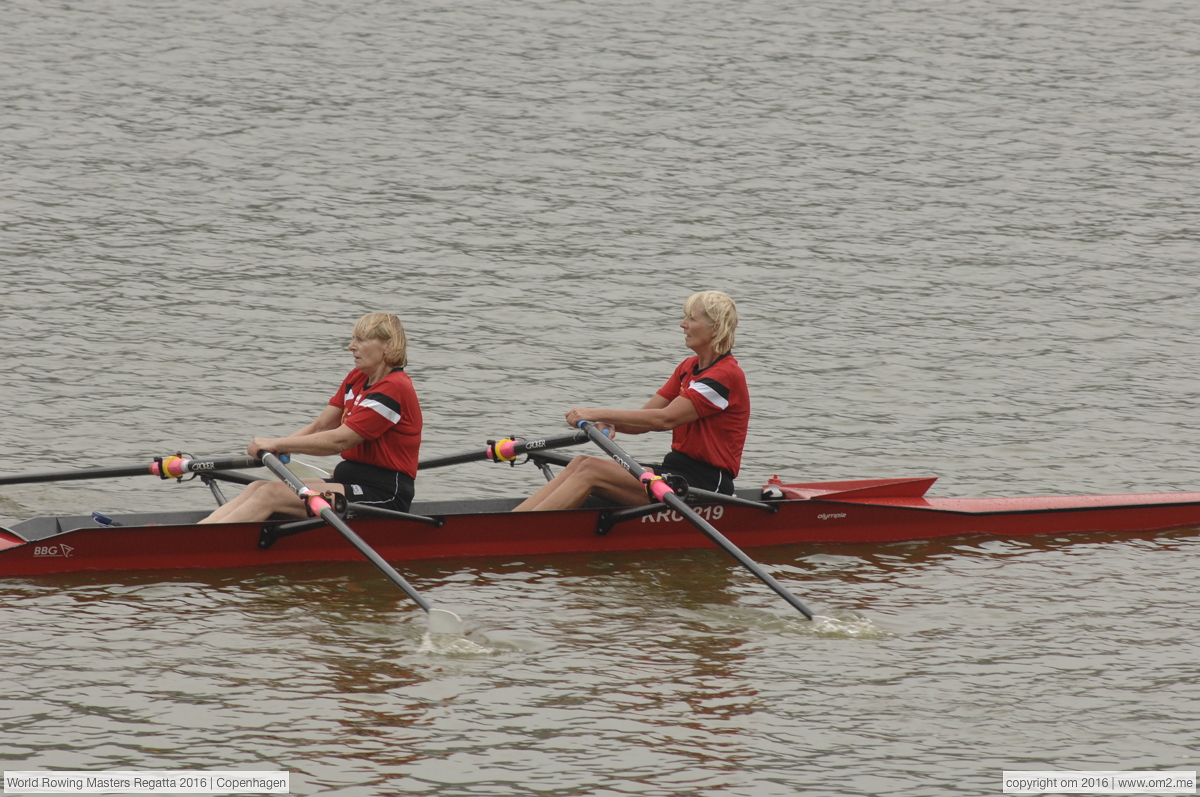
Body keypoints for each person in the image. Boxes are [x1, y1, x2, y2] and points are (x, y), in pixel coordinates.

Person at [514, 291, 747, 512]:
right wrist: (612, 425)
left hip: (707, 485)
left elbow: (665, 420)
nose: (682, 324)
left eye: (691, 318)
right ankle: (511, 523)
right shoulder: (687, 367)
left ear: (715, 328)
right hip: (676, 470)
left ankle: (516, 537)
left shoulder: (724, 375)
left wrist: (596, 414)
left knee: (591, 471)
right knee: (581, 463)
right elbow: (643, 421)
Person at [199, 312, 422, 524]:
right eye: (353, 339)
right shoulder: (357, 377)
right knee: (257, 487)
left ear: (388, 346)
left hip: (383, 496)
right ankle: (198, 532)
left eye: (361, 340)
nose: (351, 346)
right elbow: (321, 426)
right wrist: (281, 449)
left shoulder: (395, 387)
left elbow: (339, 441)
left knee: (271, 495)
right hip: (349, 482)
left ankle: (198, 547)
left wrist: (277, 443)